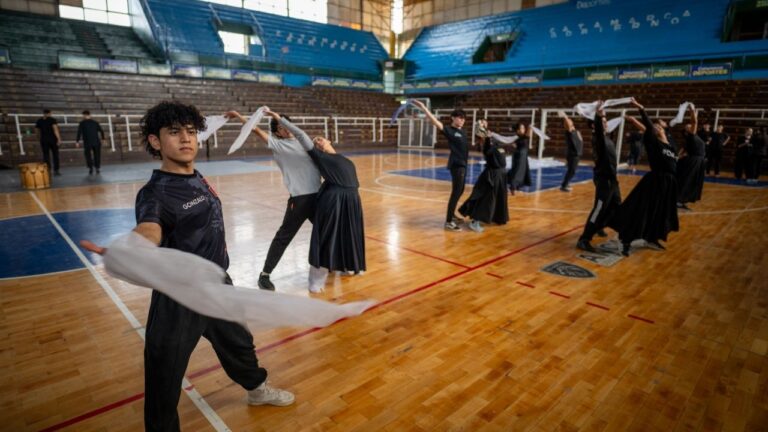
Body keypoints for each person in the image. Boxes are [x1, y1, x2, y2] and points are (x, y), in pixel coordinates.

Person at [81, 101, 294, 432]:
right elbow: (150, 228)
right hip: (180, 294)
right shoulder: (155, 193)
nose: (186, 139)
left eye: (192, 132)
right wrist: (134, 247)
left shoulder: (195, 176)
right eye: (174, 132)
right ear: (155, 141)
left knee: (239, 344)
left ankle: (256, 390)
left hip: (218, 284)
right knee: (164, 371)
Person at [265, 109, 365, 293]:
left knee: (342, 232)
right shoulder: (319, 156)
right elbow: (300, 135)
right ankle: (270, 274)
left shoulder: (337, 156)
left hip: (341, 200)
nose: (317, 141)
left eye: (320, 139)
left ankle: (343, 264)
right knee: (315, 236)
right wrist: (277, 118)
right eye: (316, 140)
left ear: (329, 141)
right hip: (316, 200)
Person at [224, 110, 321, 291]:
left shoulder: (303, 141)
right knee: (283, 237)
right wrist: (238, 115)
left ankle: (330, 264)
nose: (285, 129)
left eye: (286, 125)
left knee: (328, 230)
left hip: (318, 197)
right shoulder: (277, 145)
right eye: (281, 127)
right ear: (277, 132)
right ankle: (264, 275)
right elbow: (253, 129)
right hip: (299, 200)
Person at [612, 99, 679, 256]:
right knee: (641, 211)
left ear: (665, 129)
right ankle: (626, 241)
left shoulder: (671, 146)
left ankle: (652, 238)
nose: (656, 127)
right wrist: (640, 108)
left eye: (658, 125)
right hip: (655, 181)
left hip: (668, 185)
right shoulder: (653, 143)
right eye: (654, 126)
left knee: (660, 214)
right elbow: (647, 126)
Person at [410, 100, 470, 231]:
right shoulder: (449, 130)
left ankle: (452, 215)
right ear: (453, 118)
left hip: (464, 165)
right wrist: (423, 107)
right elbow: (434, 122)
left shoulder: (464, 132)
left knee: (460, 191)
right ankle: (449, 221)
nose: (462, 120)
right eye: (459, 117)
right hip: (456, 166)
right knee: (455, 193)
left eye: (463, 118)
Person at [576, 102, 621, 253]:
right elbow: (599, 125)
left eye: (605, 121)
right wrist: (598, 113)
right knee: (599, 208)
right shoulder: (598, 139)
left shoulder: (607, 138)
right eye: (602, 122)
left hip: (612, 179)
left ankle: (599, 226)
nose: (605, 123)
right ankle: (584, 239)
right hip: (604, 180)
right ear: (595, 126)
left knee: (615, 206)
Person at [458, 120, 509, 231]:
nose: (487, 128)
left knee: (498, 198)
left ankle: (497, 217)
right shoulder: (487, 145)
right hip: (491, 176)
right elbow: (482, 135)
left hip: (501, 175)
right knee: (486, 199)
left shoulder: (496, 143)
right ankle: (475, 221)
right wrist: (480, 125)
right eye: (484, 126)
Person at [676, 105, 706, 210]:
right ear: (687, 130)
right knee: (687, 181)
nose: (691, 126)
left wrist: (695, 112)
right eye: (688, 126)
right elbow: (694, 122)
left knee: (692, 182)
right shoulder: (691, 136)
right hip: (694, 161)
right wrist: (692, 111)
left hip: (698, 162)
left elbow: (694, 121)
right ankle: (678, 200)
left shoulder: (692, 137)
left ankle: (681, 200)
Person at [76, 110, 105, 175]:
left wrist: (77, 141)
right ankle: (97, 168)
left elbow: (79, 132)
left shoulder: (82, 123)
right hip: (96, 142)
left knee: (88, 156)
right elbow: (101, 131)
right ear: (90, 115)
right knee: (97, 155)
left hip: (87, 142)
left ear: (84, 115)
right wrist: (103, 139)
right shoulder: (95, 122)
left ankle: (90, 168)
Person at [507, 122, 532, 195]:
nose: (524, 129)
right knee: (517, 171)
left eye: (524, 128)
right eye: (522, 128)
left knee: (522, 171)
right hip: (519, 156)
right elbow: (527, 135)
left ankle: (517, 185)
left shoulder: (521, 136)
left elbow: (527, 136)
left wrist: (530, 128)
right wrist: (530, 128)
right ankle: (513, 187)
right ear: (517, 130)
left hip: (523, 156)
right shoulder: (517, 137)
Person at [560, 112, 583, 192]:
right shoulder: (569, 132)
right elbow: (568, 124)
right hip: (573, 155)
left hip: (576, 154)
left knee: (572, 170)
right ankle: (564, 185)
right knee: (571, 171)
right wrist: (565, 117)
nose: (569, 120)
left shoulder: (575, 131)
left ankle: (566, 183)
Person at [35, 109, 62, 176]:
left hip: (44, 140)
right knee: (55, 155)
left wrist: (39, 138)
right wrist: (59, 139)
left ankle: (47, 170)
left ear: (43, 113)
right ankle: (56, 170)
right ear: (49, 113)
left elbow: (36, 131)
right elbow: (55, 129)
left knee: (46, 155)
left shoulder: (39, 121)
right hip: (53, 139)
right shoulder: (52, 120)